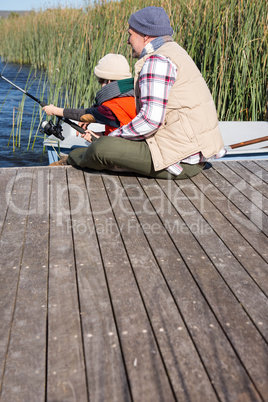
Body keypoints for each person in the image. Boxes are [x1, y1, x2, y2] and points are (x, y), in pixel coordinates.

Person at [67, 6, 226, 179]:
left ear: (145, 36)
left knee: (101, 149)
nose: (128, 41)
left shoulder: (157, 61)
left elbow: (151, 121)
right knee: (108, 144)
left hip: (180, 160)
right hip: (192, 151)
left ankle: (72, 158)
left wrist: (112, 137)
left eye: (130, 34)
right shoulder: (176, 51)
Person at [43, 53, 136, 144]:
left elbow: (85, 114)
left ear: (109, 81)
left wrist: (54, 110)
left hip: (125, 147)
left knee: (76, 155)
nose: (100, 86)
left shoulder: (112, 106)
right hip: (126, 143)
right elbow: (120, 126)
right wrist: (100, 135)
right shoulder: (132, 95)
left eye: (100, 82)